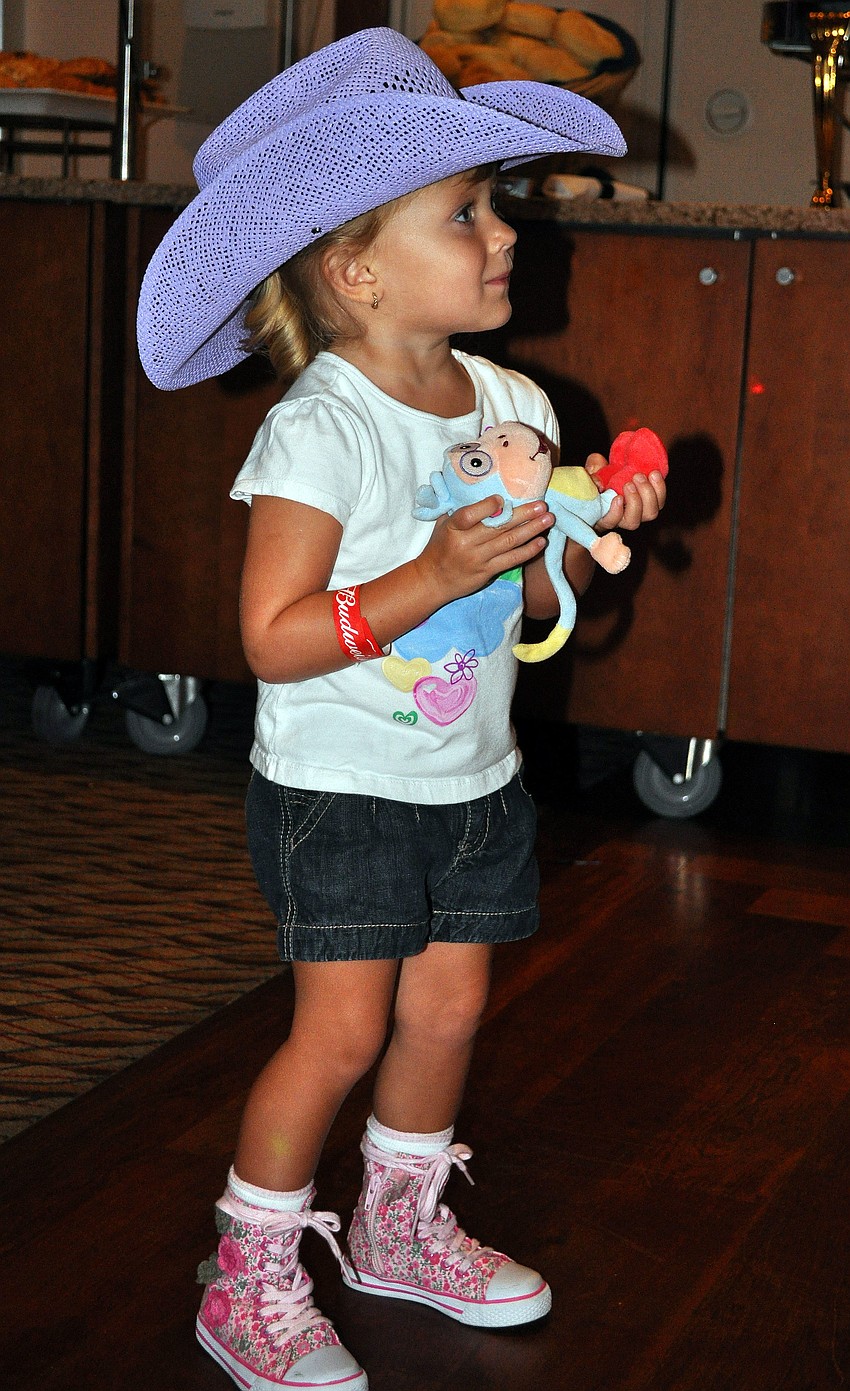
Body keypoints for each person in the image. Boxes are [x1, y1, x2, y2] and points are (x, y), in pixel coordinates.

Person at [137, 27, 666, 1391]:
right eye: (467, 210)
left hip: (472, 778)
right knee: (342, 1034)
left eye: (495, 203)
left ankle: (392, 1230)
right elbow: (270, 636)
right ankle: (245, 1278)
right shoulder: (322, 426)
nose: (505, 233)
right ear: (356, 268)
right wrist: (426, 573)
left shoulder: (511, 400)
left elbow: (523, 580)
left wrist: (586, 515)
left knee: (444, 1020)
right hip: (343, 794)